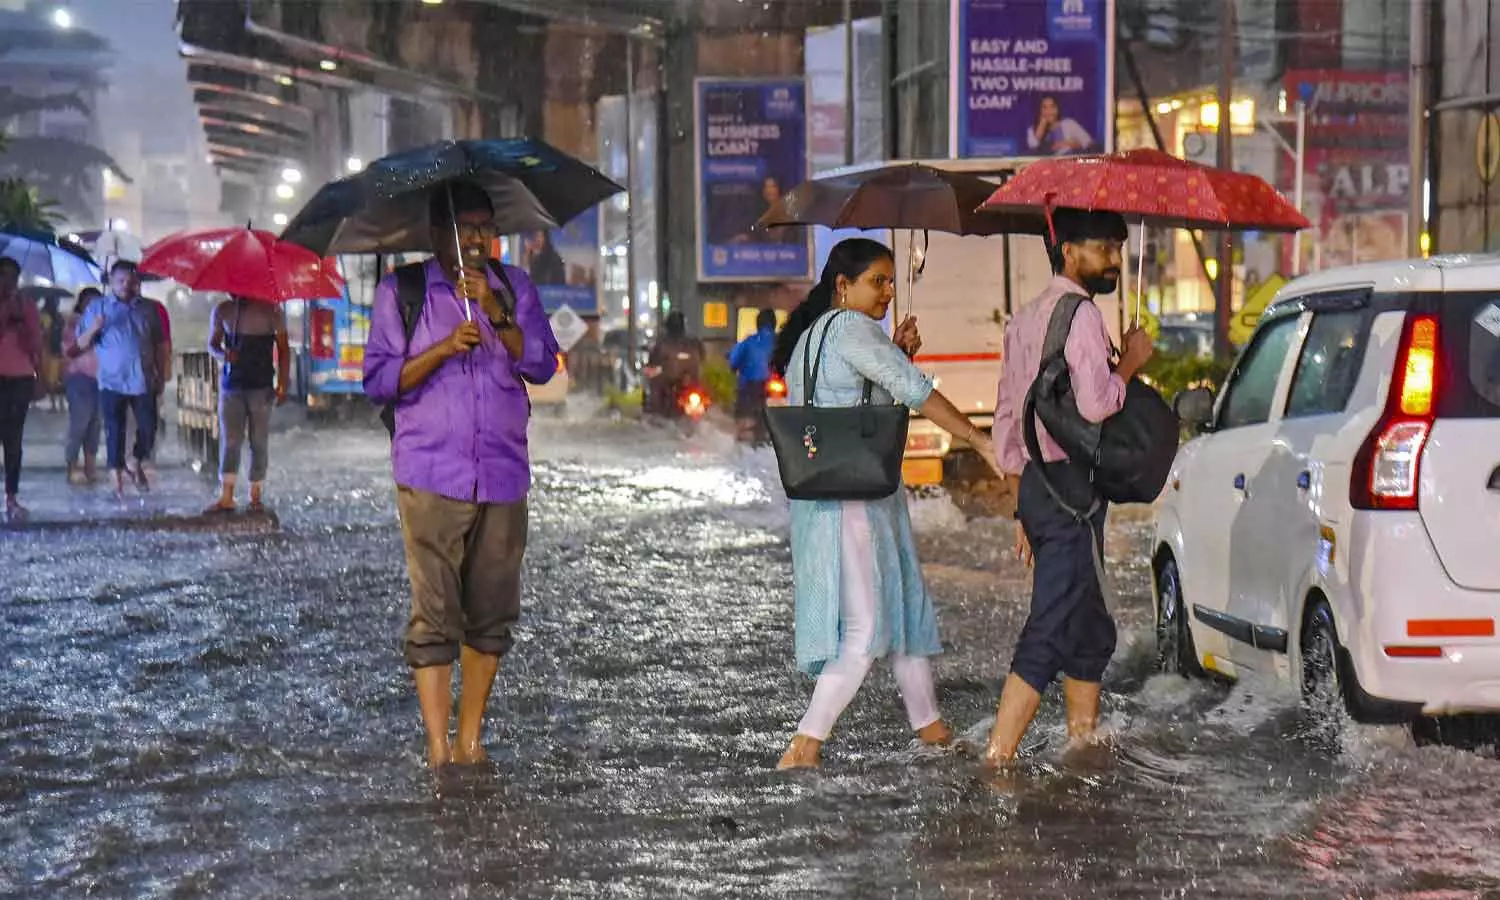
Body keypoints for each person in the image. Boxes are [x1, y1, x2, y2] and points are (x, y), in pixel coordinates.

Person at [773, 237, 1005, 770]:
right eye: (877, 281)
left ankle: (934, 732)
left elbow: (856, 396)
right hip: (853, 500)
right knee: (865, 631)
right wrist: (978, 439)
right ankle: (804, 746)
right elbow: (914, 391)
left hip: (847, 494)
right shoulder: (853, 329)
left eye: (891, 282)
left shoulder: (812, 336)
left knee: (905, 618)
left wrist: (894, 351)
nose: (887, 292)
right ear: (843, 286)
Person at [363, 180, 561, 769]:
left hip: (503, 473)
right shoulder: (402, 292)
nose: (476, 238)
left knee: (493, 610)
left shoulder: (513, 288)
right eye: (464, 226)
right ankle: (438, 747)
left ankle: (472, 740)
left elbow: (544, 366)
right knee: (435, 610)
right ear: (437, 233)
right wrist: (445, 348)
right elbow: (379, 380)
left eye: (484, 227)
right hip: (430, 473)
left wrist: (499, 314)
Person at [983, 208, 1155, 768]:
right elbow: (1098, 405)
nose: (1113, 260)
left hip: (1040, 485)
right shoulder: (1081, 316)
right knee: (1052, 622)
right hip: (1074, 492)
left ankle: (1082, 742)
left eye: (1116, 249)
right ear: (1068, 251)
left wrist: (1022, 506)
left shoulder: (1025, 317)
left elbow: (1007, 418)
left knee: (1090, 627)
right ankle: (997, 759)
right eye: (1103, 248)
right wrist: (1129, 362)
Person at [76, 260, 168, 497]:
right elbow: (81, 344)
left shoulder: (149, 308)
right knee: (114, 430)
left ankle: (135, 460)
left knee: (149, 428)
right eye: (120, 281)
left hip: (143, 379)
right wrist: (94, 328)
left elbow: (159, 343)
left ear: (138, 282)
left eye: (131, 281)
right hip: (111, 381)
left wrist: (162, 372)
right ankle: (116, 481)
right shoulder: (98, 308)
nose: (126, 285)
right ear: (111, 282)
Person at [205, 294, 289, 513]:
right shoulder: (223, 310)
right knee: (231, 440)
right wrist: (224, 354)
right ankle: (227, 495)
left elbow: (283, 349)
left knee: (258, 440)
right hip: (232, 385)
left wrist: (282, 383)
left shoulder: (273, 311)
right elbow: (212, 345)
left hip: (261, 386)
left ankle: (255, 494)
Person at [0, 257, 41, 521]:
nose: (8, 281)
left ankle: (11, 497)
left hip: (20, 379)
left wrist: (22, 321)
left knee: (13, 441)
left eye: (13, 276)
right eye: (3, 275)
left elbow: (34, 344)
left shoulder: (26, 306)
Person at [62, 287, 103, 485]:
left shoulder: (104, 324)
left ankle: (90, 466)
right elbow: (71, 349)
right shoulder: (73, 324)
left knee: (95, 424)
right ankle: (72, 465)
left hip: (101, 380)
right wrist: (92, 329)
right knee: (79, 423)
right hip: (79, 377)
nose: (92, 307)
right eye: (89, 302)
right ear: (81, 303)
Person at [727, 308, 777, 443]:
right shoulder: (783, 342)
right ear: (774, 324)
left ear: (758, 324)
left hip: (751, 389)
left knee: (743, 428)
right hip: (779, 393)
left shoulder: (749, 342)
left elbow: (733, 361)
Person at [644, 311, 704, 417]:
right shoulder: (694, 341)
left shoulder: (662, 343)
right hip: (684, 383)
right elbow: (703, 357)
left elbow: (653, 363)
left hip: (675, 384)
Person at [1027, 95, 1095, 156]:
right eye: (1045, 108)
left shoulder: (1069, 124)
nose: (1049, 111)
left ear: (1058, 109)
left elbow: (1088, 142)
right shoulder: (1032, 129)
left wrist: (1069, 144)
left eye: (1052, 107)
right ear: (1039, 110)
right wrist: (1042, 124)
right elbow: (1033, 146)